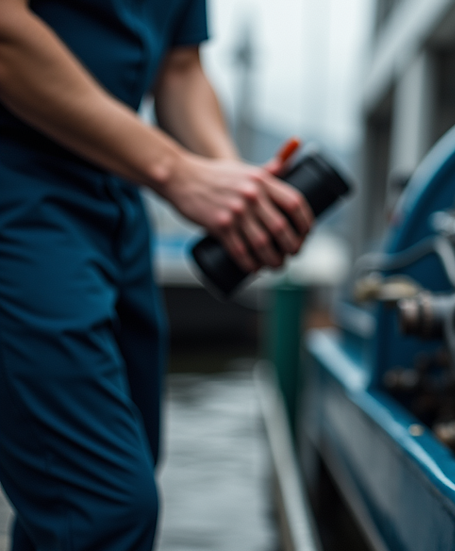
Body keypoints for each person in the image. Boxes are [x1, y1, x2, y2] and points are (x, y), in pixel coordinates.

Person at [0, 0, 313, 549]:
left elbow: (180, 67)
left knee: (119, 471)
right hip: (20, 190)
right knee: (104, 504)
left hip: (118, 198)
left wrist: (232, 185)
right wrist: (175, 170)